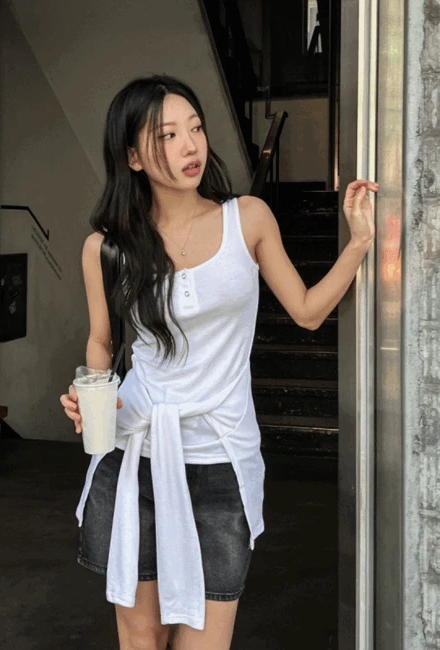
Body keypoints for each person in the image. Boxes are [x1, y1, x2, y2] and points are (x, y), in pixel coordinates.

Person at [60, 74, 377, 650]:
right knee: (142, 639)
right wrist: (93, 393)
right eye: (167, 135)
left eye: (196, 128)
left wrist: (357, 244)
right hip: (134, 457)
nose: (190, 146)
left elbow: (307, 312)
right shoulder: (106, 247)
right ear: (132, 157)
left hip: (221, 461)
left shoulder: (247, 218)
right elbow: (101, 342)